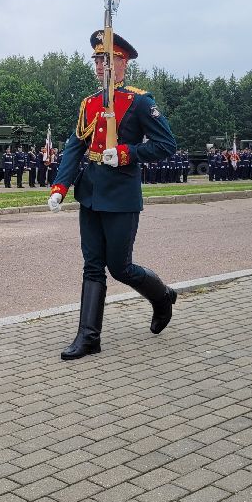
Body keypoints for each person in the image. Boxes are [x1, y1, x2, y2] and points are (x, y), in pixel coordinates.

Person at [48, 30, 177, 360]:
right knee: (92, 265)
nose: (100, 66)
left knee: (120, 267)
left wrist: (126, 153)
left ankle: (162, 297)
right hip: (90, 192)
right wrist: (60, 187)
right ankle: (89, 337)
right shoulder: (89, 103)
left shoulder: (139, 101)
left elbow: (166, 145)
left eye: (106, 59)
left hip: (121, 196)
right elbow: (74, 147)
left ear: (123, 63)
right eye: (97, 60)